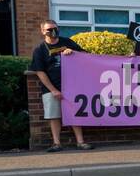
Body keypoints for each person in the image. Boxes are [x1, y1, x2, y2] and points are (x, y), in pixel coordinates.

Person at [30, 20, 93, 152]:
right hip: (51, 88)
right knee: (54, 116)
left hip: (72, 86)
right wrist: (53, 90)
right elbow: (40, 72)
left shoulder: (67, 42)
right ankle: (56, 143)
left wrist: (73, 52)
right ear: (43, 31)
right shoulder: (39, 50)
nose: (53, 31)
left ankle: (80, 142)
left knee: (75, 113)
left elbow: (86, 56)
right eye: (49, 29)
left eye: (55, 28)